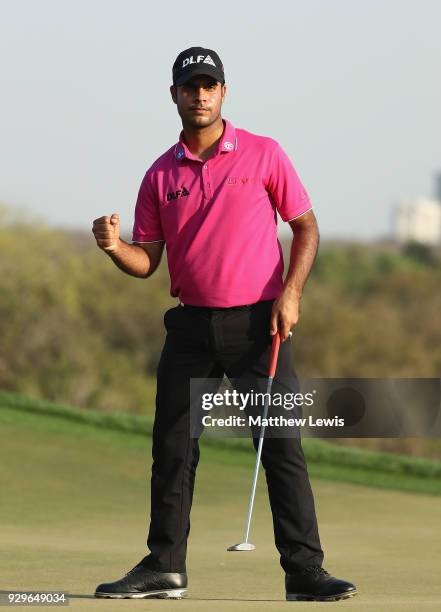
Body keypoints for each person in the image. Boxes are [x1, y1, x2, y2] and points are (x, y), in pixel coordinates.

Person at [91, 46, 357, 602]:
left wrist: (291, 294)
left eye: (209, 85)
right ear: (175, 96)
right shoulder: (160, 174)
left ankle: (304, 572)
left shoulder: (264, 154)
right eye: (190, 86)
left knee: (280, 446)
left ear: (224, 92)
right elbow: (148, 262)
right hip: (189, 328)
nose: (200, 94)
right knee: (172, 450)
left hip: (260, 327)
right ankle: (165, 566)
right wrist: (116, 248)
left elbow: (305, 228)